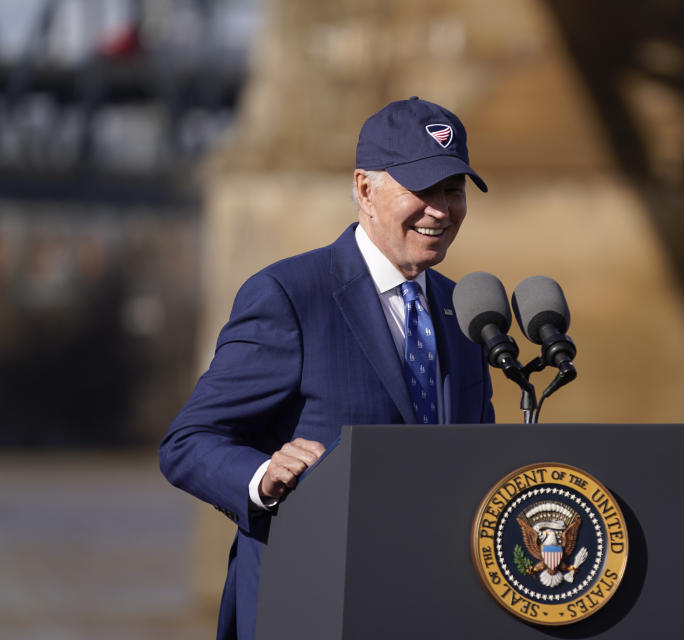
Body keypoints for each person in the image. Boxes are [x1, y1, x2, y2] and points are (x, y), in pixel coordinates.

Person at [159, 97, 495, 640]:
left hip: (430, 609)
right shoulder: (291, 296)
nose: (441, 210)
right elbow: (187, 442)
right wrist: (262, 478)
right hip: (307, 608)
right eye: (424, 190)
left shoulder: (469, 314)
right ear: (365, 189)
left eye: (453, 191)